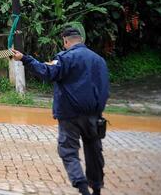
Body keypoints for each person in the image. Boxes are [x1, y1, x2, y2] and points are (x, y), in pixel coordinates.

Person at [10, 26, 109, 195]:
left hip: (69, 116)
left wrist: (24, 59)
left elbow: (47, 71)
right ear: (81, 39)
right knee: (94, 151)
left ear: (65, 41)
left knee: (68, 151)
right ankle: (97, 189)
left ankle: (83, 188)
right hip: (94, 115)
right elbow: (105, 88)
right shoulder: (99, 60)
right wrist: (97, 110)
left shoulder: (65, 58)